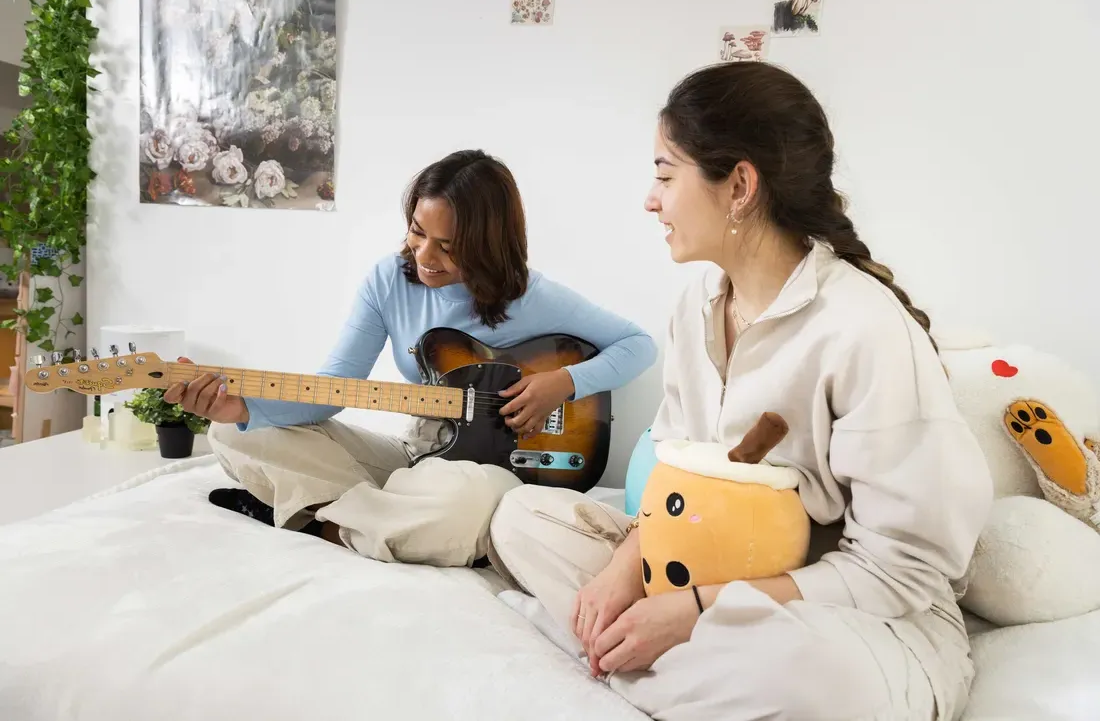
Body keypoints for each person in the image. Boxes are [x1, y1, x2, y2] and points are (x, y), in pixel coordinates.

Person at [487, 62, 993, 720]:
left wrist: (697, 610)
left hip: (848, 615)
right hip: (698, 560)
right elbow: (674, 477)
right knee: (520, 520)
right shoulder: (695, 306)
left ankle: (622, 660)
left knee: (811, 680)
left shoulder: (862, 328)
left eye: (665, 175)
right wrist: (623, 568)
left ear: (740, 186)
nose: (650, 199)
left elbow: (900, 571)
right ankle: (646, 654)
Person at [165, 149, 658, 567]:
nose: (425, 255)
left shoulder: (532, 296)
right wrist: (246, 408)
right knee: (230, 433)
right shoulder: (387, 281)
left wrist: (562, 383)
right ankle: (378, 523)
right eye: (417, 232)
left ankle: (324, 523)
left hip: (480, 470)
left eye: (449, 246)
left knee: (469, 502)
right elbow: (332, 388)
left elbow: (638, 345)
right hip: (414, 454)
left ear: (489, 246)